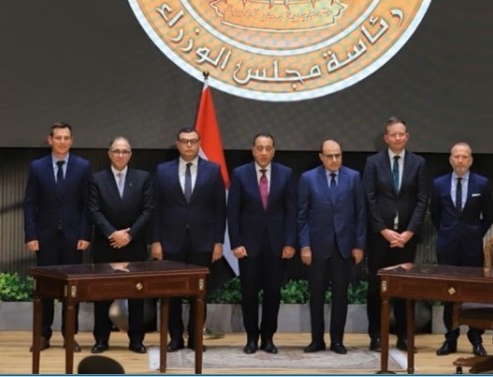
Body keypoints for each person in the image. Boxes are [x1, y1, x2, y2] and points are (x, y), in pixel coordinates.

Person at [150, 127, 226, 352]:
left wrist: (218, 241)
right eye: (184, 141)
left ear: (199, 143)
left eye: (193, 141)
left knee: (199, 294)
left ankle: (195, 338)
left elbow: (220, 209)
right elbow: (156, 209)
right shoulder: (162, 170)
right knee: (172, 294)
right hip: (171, 242)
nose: (189, 145)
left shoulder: (213, 170)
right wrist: (156, 241)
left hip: (203, 242)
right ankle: (175, 338)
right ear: (178, 144)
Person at [364, 116, 431, 353]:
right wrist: (384, 230)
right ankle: (376, 336)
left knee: (404, 289)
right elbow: (369, 198)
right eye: (393, 134)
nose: (398, 138)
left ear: (407, 136)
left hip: (406, 239)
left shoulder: (418, 163)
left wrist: (409, 232)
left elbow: (422, 200)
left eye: (401, 134)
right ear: (386, 138)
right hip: (379, 238)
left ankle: (404, 336)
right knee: (376, 289)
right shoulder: (373, 163)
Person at [24, 122, 91, 352]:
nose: (62, 142)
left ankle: (69, 336)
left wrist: (85, 233)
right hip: (45, 237)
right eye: (58, 137)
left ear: (72, 140)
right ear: (50, 140)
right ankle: (43, 335)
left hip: (74, 237)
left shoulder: (83, 166)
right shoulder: (37, 167)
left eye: (66, 138)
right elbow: (30, 203)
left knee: (71, 289)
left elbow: (86, 205)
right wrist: (31, 234)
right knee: (45, 289)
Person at [227, 133, 296, 355]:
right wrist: (236, 243)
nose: (264, 152)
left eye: (268, 148)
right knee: (249, 293)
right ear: (253, 150)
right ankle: (251, 338)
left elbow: (291, 212)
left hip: (277, 246)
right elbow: (233, 213)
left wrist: (289, 243)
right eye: (259, 148)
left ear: (273, 151)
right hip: (248, 246)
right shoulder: (240, 174)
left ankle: (268, 338)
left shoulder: (286, 173)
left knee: (273, 294)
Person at [297, 139, 365, 355]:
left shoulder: (353, 177)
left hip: (344, 246)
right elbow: (302, 216)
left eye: (338, 155)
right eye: (330, 156)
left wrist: (359, 245)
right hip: (317, 247)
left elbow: (360, 214)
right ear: (321, 157)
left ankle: (337, 340)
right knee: (316, 295)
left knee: (340, 295)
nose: (334, 159)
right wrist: (305, 246)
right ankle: (317, 340)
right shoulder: (308, 178)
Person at [89, 136, 154, 354]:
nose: (120, 155)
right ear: (109, 154)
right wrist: (113, 234)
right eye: (116, 151)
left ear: (130, 154)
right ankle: (101, 339)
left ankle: (136, 340)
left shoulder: (143, 178)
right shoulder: (97, 179)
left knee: (136, 295)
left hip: (133, 245)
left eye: (124, 151)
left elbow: (148, 210)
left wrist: (129, 235)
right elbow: (94, 210)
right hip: (105, 244)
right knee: (101, 295)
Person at [431, 142, 493, 357]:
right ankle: (450, 338)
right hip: (447, 248)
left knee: (474, 293)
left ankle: (476, 339)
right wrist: (448, 232)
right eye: (456, 156)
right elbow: (435, 215)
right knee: (449, 293)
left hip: (472, 248)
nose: (460, 160)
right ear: (450, 160)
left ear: (471, 160)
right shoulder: (439, 183)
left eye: (464, 157)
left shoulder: (482, 183)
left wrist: (475, 233)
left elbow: (489, 215)